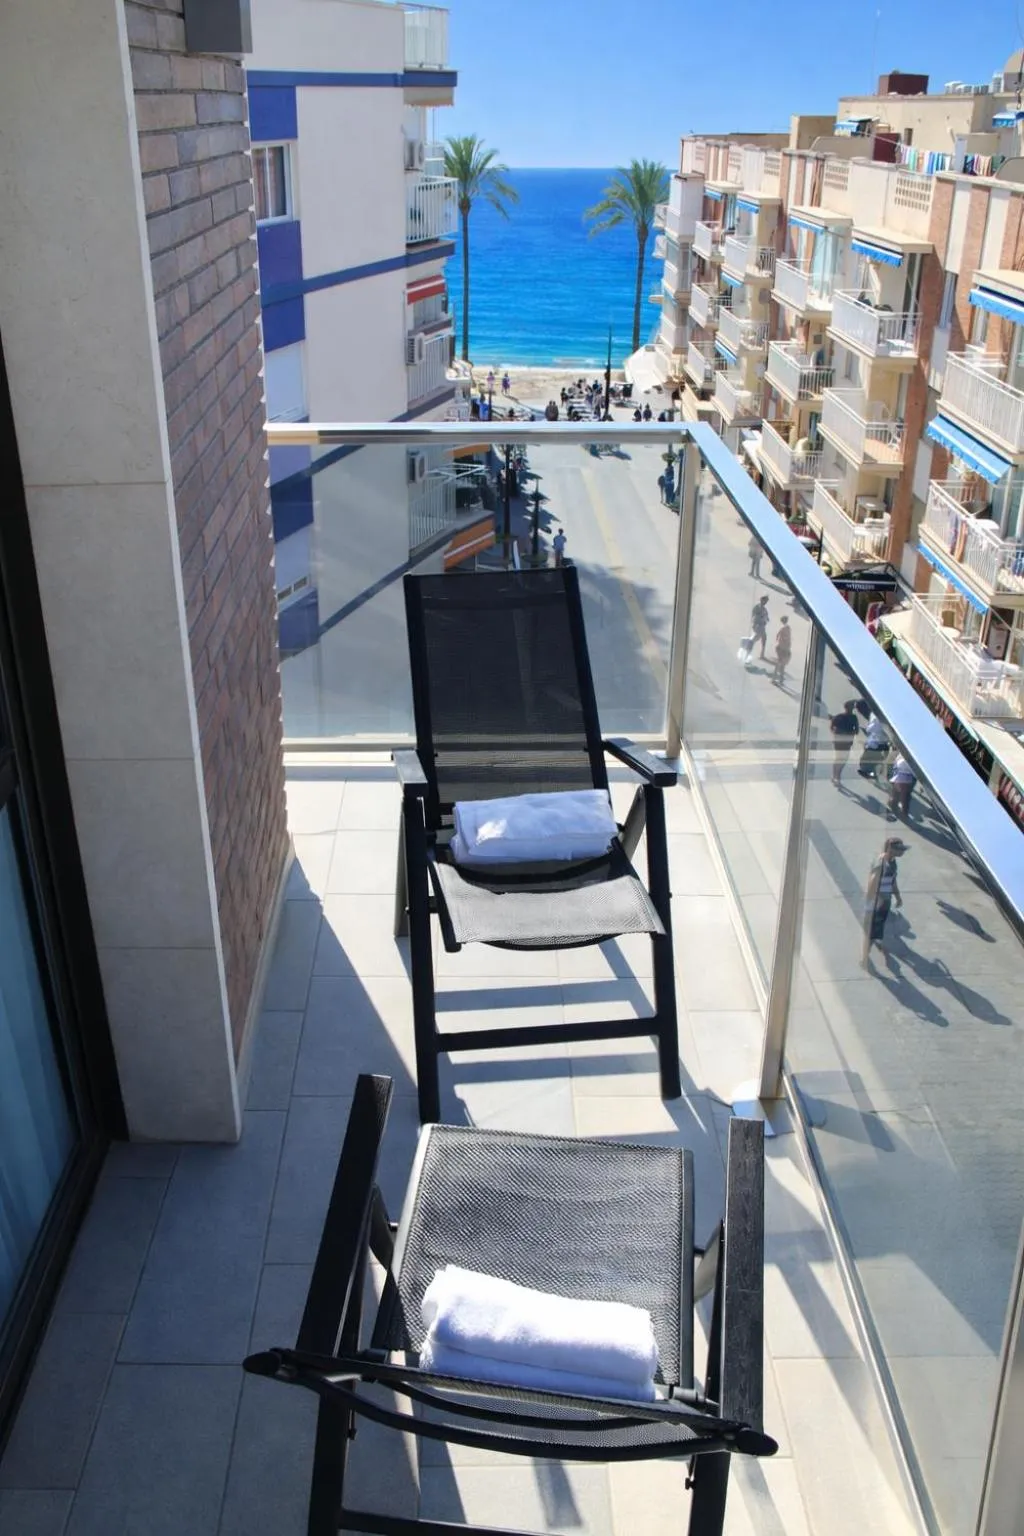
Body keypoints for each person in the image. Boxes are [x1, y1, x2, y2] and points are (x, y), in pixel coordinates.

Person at [861, 837, 907, 967]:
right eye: (899, 849)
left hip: (885, 901)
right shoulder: (881, 864)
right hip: (878, 902)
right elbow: (872, 882)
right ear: (891, 849)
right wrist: (870, 903)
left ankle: (876, 941)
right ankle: (864, 958)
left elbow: (892, 880)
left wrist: (897, 896)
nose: (902, 852)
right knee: (870, 931)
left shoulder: (892, 862)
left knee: (878, 927)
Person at [829, 700, 860, 786]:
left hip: (843, 742)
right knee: (841, 758)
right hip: (843, 742)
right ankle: (837, 776)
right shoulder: (849, 717)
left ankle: (836, 775)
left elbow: (832, 727)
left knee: (841, 759)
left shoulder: (841, 717)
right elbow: (832, 728)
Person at [858, 712, 890, 779]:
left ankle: (870, 771)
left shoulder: (876, 717)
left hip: (876, 742)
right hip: (881, 742)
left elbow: (869, 729)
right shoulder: (878, 718)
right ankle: (873, 772)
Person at [888, 754, 916, 820]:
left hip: (899, 775)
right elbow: (914, 771)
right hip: (906, 778)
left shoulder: (902, 755)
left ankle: (893, 804)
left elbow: (895, 763)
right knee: (905, 796)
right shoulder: (911, 758)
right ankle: (903, 812)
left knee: (897, 792)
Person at [772, 615, 791, 686]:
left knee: (779, 664)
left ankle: (775, 679)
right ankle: (780, 680)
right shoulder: (788, 628)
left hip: (781, 648)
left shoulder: (782, 629)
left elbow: (778, 638)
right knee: (782, 665)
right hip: (785, 649)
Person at [750, 595, 769, 659]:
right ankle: (748, 649)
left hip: (762, 626)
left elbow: (766, 616)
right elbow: (754, 615)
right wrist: (755, 623)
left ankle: (762, 654)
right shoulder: (758, 607)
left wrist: (766, 619)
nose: (766, 602)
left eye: (767, 601)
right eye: (765, 600)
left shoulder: (764, 608)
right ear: (762, 600)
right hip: (758, 626)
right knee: (755, 639)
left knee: (764, 639)